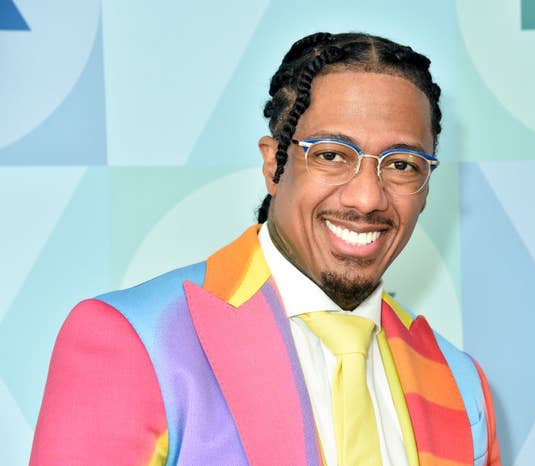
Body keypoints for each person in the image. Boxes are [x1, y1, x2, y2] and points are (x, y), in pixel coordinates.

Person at [30, 32, 501, 466]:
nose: (366, 197)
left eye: (401, 164)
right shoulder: (134, 342)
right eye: (332, 155)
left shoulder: (461, 385)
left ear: (426, 186)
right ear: (274, 162)